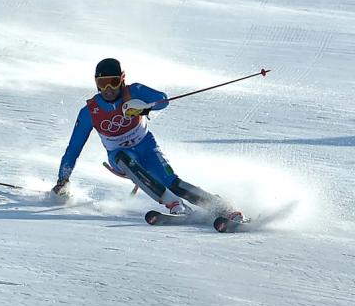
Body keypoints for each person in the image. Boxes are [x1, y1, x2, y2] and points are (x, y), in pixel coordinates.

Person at [52, 58, 243, 220]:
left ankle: (222, 208)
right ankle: (175, 205)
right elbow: (73, 149)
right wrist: (63, 178)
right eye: (103, 83)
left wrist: (144, 108)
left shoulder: (133, 91)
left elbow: (164, 100)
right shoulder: (89, 112)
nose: (108, 88)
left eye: (113, 81)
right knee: (122, 157)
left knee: (171, 181)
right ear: (96, 83)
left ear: (122, 79)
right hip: (120, 156)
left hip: (146, 146)